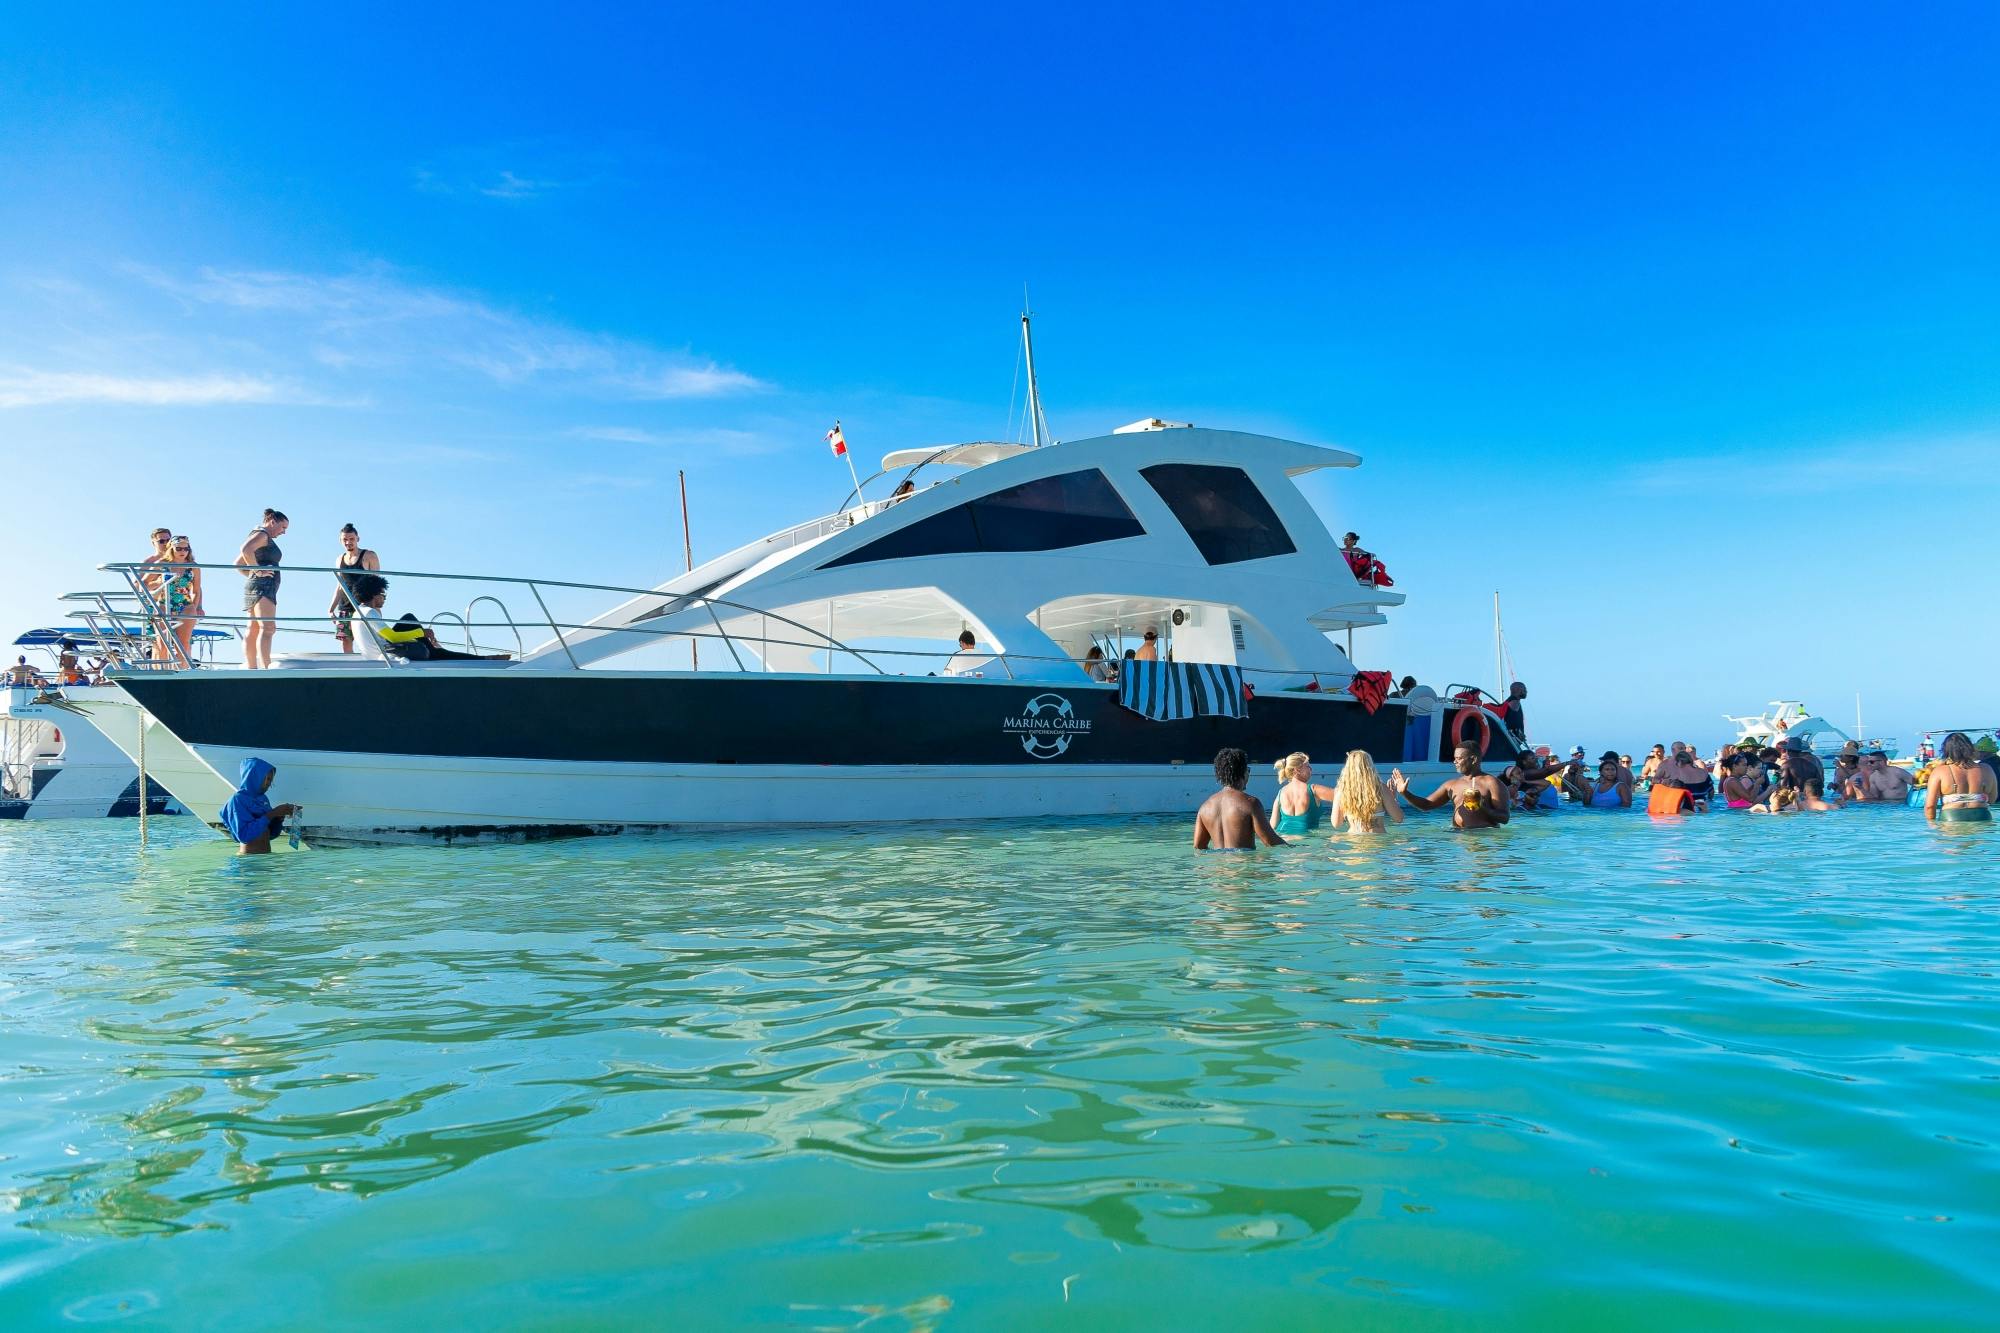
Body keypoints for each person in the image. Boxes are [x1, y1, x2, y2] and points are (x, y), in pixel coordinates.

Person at [351, 579, 509, 662]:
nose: (384, 599)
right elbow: (392, 637)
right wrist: (423, 632)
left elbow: (388, 637)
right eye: (383, 595)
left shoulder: (357, 613)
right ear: (374, 595)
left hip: (379, 653)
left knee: (408, 618)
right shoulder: (370, 612)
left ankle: (482, 658)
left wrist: (418, 635)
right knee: (435, 651)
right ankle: (484, 659)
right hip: (385, 656)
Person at [1391, 743, 1510, 829]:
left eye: (1459, 758)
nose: (1454, 762)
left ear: (1473, 759)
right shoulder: (1451, 785)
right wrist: (1405, 793)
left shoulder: (1492, 783)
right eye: (1454, 758)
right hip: (1458, 839)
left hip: (1484, 837)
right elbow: (1426, 805)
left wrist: (1483, 808)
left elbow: (1504, 818)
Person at [1193, 747, 1285, 849]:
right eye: (1248, 770)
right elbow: (1270, 841)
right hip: (1243, 859)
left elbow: (1198, 846)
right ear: (1243, 772)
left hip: (1217, 859)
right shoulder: (1251, 803)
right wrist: (1294, 848)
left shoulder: (1204, 807)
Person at [236, 508, 289, 670]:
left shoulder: (257, 534)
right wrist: (258, 572)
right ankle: (266, 668)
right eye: (283, 527)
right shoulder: (262, 535)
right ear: (272, 522)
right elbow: (245, 550)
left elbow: (238, 564)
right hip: (263, 588)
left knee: (253, 628)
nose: (284, 532)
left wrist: (254, 574)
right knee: (268, 628)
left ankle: (252, 668)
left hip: (257, 586)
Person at [218, 757, 299, 854]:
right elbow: (244, 836)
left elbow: (271, 834)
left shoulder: (263, 799)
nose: (269, 784)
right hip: (249, 858)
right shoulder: (237, 800)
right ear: (254, 777)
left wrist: (279, 817)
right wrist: (274, 813)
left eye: (271, 780)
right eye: (267, 779)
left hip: (266, 855)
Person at [328, 524, 381, 655]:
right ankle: (350, 666)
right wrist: (331, 609)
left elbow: (377, 583)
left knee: (372, 641)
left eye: (351, 539)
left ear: (358, 538)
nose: (348, 542)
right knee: (345, 642)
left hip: (365, 606)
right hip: (345, 606)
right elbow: (340, 586)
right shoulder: (339, 560)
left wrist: (376, 608)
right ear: (340, 541)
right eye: (345, 539)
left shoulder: (369, 555)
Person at [1923, 731, 1996, 824]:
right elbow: (1992, 799)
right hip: (1982, 817)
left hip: (1952, 819)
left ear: (1946, 751)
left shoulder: (1940, 771)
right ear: (1971, 748)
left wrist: (1932, 825)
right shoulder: (1987, 769)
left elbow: (1930, 806)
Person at [1327, 750, 1403, 832]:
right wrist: (1393, 798)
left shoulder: (1342, 791)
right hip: (1377, 838)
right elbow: (1399, 818)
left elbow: (1336, 824)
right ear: (1370, 767)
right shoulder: (1381, 789)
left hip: (1353, 838)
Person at [1270, 752, 1338, 835]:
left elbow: (1273, 825)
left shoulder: (1281, 793)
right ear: (1297, 770)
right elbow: (1342, 796)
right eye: (1307, 766)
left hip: (1283, 837)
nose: (1311, 769)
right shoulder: (1313, 790)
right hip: (1306, 840)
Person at [160, 536, 203, 662]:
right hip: (164, 602)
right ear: (171, 549)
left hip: (185, 604)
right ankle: (163, 669)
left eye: (186, 548)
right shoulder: (162, 564)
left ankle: (182, 669)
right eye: (178, 548)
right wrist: (158, 584)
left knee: (183, 643)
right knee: (163, 643)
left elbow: (196, 590)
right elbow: (145, 582)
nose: (182, 551)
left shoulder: (193, 566)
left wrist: (195, 607)